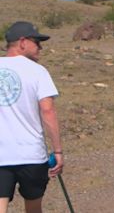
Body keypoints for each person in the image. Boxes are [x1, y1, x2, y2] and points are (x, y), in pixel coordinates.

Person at [0, 21, 63, 213]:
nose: (40, 47)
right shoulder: (38, 71)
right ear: (22, 42)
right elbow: (48, 111)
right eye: (37, 42)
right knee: (34, 207)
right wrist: (58, 151)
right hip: (32, 155)